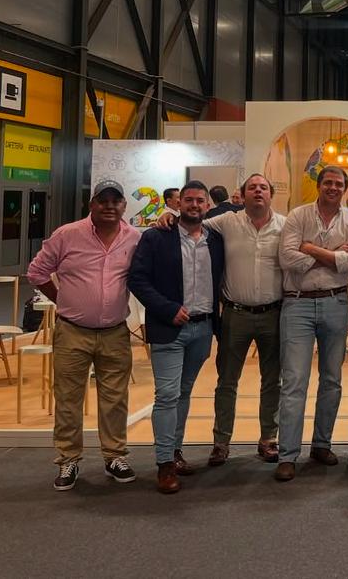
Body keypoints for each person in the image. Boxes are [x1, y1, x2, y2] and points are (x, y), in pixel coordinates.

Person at [155, 174, 286, 466]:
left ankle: (269, 439)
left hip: (273, 314)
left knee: (272, 381)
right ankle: (221, 442)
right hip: (235, 315)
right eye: (252, 187)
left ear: (271, 194)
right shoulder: (226, 222)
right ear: (242, 194)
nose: (258, 191)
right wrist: (169, 217)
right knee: (226, 381)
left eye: (263, 187)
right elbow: (190, 223)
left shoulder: (285, 225)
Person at [26, 180, 142, 491]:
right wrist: (61, 299)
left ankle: (114, 456)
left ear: (124, 206)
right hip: (72, 332)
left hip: (115, 332)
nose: (109, 206)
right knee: (68, 398)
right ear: (91, 205)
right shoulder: (67, 235)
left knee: (115, 399)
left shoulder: (135, 238)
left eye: (115, 201)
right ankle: (68, 459)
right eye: (102, 200)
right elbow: (36, 272)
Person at [128, 180, 224, 494]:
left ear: (208, 206)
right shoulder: (157, 236)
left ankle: (176, 451)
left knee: (183, 392)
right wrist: (167, 309)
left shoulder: (215, 240)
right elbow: (137, 279)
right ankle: (164, 463)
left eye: (200, 201)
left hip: (203, 329)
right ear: (178, 203)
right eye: (189, 200)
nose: (194, 205)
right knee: (167, 395)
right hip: (169, 328)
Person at [274, 165, 348, 482]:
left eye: (339, 184)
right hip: (297, 304)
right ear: (319, 184)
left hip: (335, 303)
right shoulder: (298, 216)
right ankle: (287, 455)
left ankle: (321, 444)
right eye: (328, 182)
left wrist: (310, 248)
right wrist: (333, 253)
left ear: (345, 188)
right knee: (294, 381)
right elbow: (288, 260)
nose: (333, 188)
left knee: (332, 380)